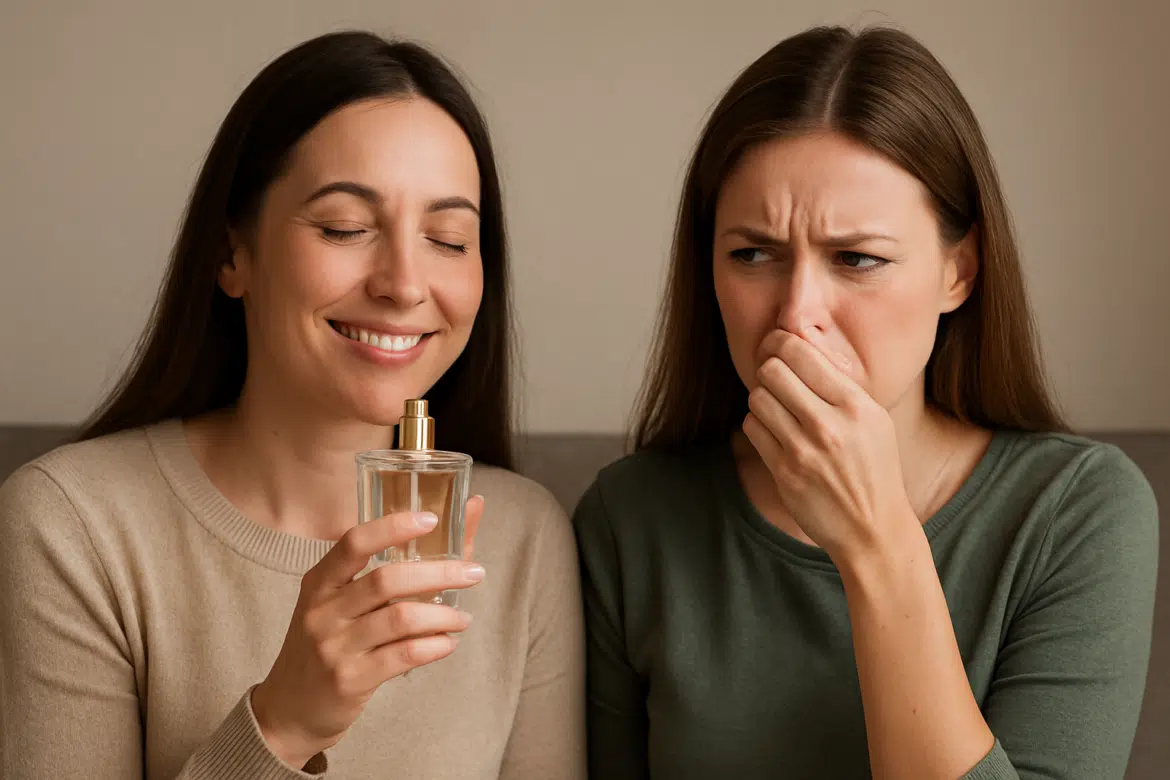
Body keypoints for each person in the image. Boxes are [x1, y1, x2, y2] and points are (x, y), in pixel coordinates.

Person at [572, 24, 1158, 780]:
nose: (796, 312)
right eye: (753, 254)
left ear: (960, 271)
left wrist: (876, 542)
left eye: (857, 259)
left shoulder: (1077, 511)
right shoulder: (630, 519)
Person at [0, 30, 584, 779]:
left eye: (448, 237)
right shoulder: (72, 525)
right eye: (346, 227)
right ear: (231, 253)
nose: (404, 284)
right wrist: (281, 725)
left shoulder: (525, 536)